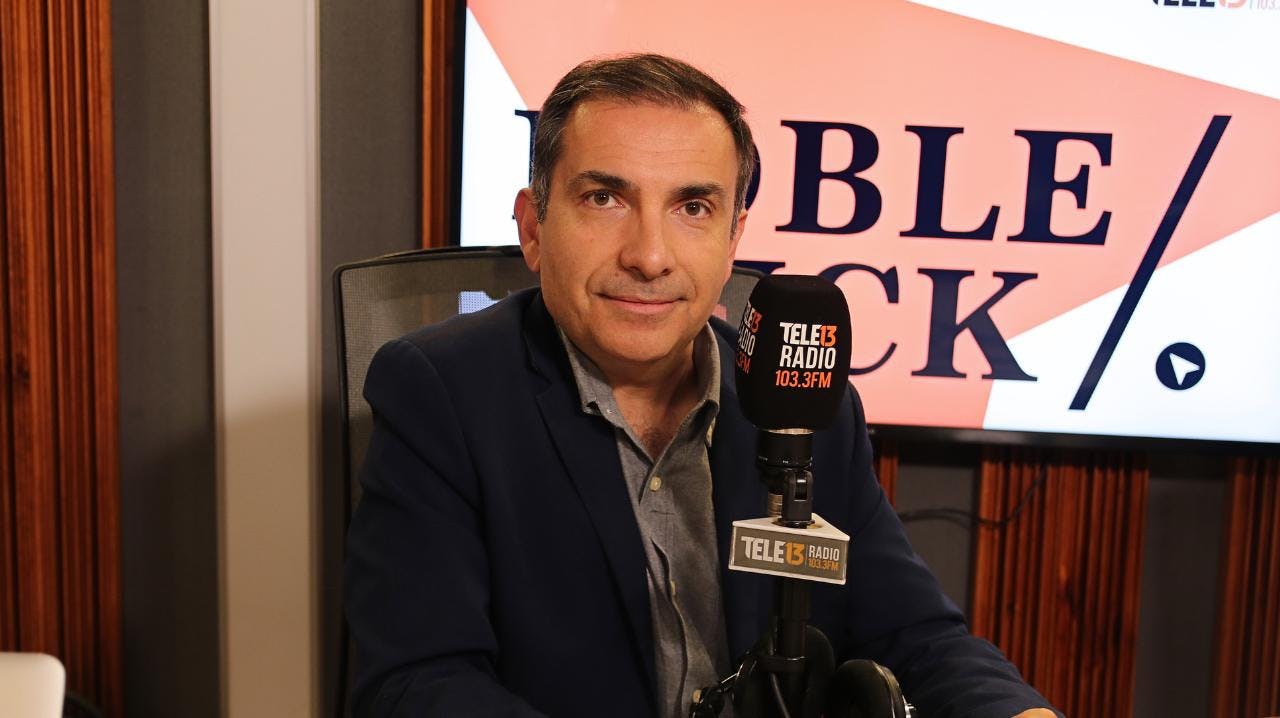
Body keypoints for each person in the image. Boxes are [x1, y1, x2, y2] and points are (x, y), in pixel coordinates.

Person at [345, 53, 1059, 718]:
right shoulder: (442, 394)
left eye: (692, 208)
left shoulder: (805, 404)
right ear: (534, 228)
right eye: (605, 198)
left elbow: (917, 638)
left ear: (733, 239)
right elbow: (418, 683)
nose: (650, 256)